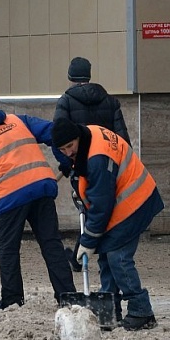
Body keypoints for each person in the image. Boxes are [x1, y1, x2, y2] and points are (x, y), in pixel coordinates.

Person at [51, 118, 164, 331]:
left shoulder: (97, 160)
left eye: (70, 147)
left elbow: (102, 205)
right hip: (125, 200)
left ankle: (142, 311)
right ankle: (110, 308)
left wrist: (88, 240)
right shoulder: (88, 133)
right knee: (106, 255)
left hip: (134, 204)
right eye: (62, 149)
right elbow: (91, 180)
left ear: (77, 137)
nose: (67, 152)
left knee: (117, 257)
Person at [0, 104, 76, 310]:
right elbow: (52, 132)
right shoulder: (16, 120)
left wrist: (1, 209)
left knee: (7, 248)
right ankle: (67, 297)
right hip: (42, 186)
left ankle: (12, 299)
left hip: (12, 195)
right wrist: (66, 161)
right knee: (51, 244)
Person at [54, 57, 131, 271]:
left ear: (70, 76)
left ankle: (82, 255)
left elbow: (59, 138)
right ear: (89, 75)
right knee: (103, 208)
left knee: (91, 209)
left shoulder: (66, 101)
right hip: (108, 163)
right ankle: (93, 255)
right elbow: (122, 139)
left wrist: (67, 164)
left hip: (81, 166)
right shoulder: (110, 101)